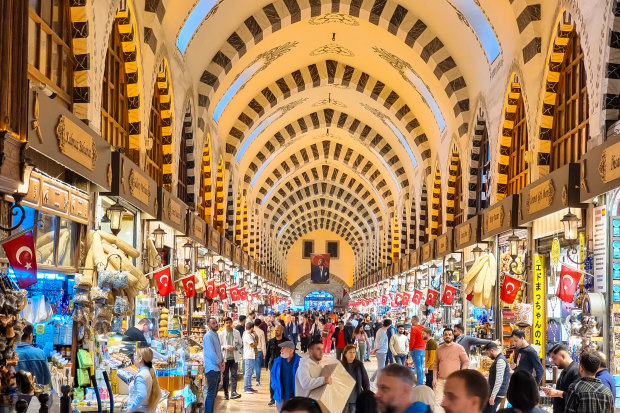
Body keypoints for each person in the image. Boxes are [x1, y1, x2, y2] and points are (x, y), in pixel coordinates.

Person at [433, 327, 469, 407]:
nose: (447, 336)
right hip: (440, 381)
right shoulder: (439, 348)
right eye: (445, 335)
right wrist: (434, 378)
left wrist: (461, 373)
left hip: (454, 381)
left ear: (453, 336)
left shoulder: (459, 348)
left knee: (453, 403)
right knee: (436, 403)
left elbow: (466, 361)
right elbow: (435, 365)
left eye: (449, 334)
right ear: (443, 336)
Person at [541, 344, 580, 413]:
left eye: (554, 358)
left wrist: (556, 393)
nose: (553, 362)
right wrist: (552, 391)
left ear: (562, 356)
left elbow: (576, 396)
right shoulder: (565, 370)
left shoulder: (575, 371)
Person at [126, 347, 162, 413]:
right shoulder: (149, 371)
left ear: (140, 359)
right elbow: (159, 394)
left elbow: (142, 395)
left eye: (135, 355)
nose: (133, 357)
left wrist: (132, 408)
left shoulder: (141, 375)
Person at [271, 341, 302, 412]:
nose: (281, 350)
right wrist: (275, 387)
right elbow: (273, 375)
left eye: (283, 348)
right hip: (280, 395)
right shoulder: (278, 361)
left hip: (294, 395)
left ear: (291, 350)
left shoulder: (300, 361)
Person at [203, 317, 224, 413]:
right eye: (213, 323)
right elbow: (212, 353)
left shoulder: (215, 335)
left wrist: (222, 361)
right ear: (209, 325)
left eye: (216, 323)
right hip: (212, 369)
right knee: (211, 394)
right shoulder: (208, 336)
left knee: (213, 394)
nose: (216, 324)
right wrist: (220, 364)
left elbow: (218, 351)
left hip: (216, 368)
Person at [218, 317, 242, 400]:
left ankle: (233, 392)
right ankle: (226, 393)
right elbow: (219, 346)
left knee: (234, 375)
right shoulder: (221, 334)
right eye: (226, 323)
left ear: (232, 323)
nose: (228, 324)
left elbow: (240, 343)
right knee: (225, 376)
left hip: (234, 358)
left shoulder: (236, 332)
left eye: (229, 322)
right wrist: (225, 347)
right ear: (224, 324)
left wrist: (235, 347)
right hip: (225, 358)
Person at [341, 344, 370, 413]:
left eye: (354, 352)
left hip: (355, 398)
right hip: (343, 399)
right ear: (345, 354)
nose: (352, 354)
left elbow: (365, 381)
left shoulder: (359, 365)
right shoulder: (340, 365)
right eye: (350, 352)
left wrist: (367, 396)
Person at [482, 342, 509, 413]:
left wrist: (493, 396)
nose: (488, 356)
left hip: (497, 393)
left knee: (487, 411)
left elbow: (499, 380)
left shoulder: (500, 360)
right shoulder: (498, 359)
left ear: (492, 351)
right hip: (496, 393)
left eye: (488, 353)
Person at [266, 324, 289, 406]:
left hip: (283, 364)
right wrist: (266, 364)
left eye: (277, 330)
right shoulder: (271, 341)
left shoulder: (287, 341)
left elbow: (290, 353)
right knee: (273, 382)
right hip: (273, 364)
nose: (276, 332)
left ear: (282, 331)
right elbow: (268, 353)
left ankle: (282, 398)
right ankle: (272, 399)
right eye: (275, 330)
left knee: (283, 381)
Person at [409, 316, 427, 385]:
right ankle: (421, 381)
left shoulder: (414, 328)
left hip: (416, 349)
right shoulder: (424, 328)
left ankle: (419, 383)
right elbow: (426, 339)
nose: (411, 321)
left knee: (418, 367)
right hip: (422, 349)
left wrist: (410, 349)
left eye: (411, 320)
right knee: (420, 366)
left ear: (414, 320)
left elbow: (412, 341)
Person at [242, 322, 258, 393]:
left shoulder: (249, 334)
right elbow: (253, 345)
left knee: (250, 372)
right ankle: (246, 388)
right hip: (249, 356)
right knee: (248, 372)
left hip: (251, 356)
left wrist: (255, 336)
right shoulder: (247, 335)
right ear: (252, 328)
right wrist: (256, 340)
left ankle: (249, 386)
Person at [254, 319, 267, 387]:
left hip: (251, 351)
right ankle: (257, 381)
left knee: (251, 366)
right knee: (258, 366)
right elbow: (263, 343)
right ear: (260, 324)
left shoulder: (251, 330)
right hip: (259, 350)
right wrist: (264, 352)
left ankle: (248, 381)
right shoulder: (261, 332)